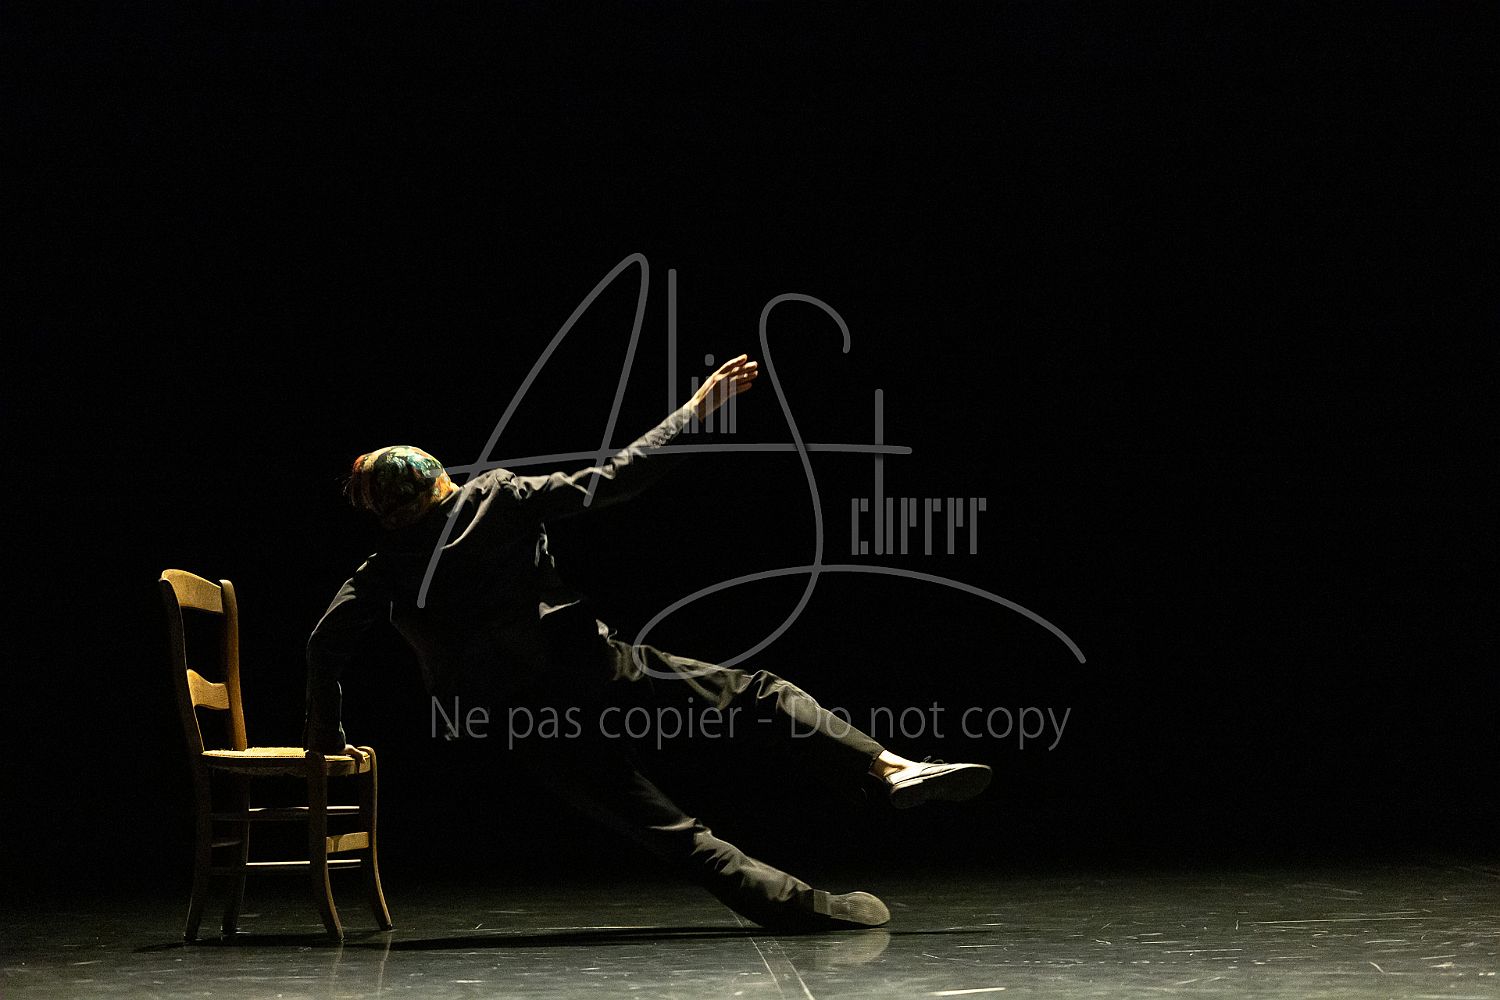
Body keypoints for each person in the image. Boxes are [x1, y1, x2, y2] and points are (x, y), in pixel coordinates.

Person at [303, 353, 992, 932]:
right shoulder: (496, 497)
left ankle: (801, 908)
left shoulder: (382, 571)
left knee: (665, 827)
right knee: (756, 694)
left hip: (513, 718)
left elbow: (322, 646)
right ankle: (888, 766)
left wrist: (327, 734)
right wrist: (693, 411)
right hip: (593, 668)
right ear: (437, 480)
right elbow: (618, 478)